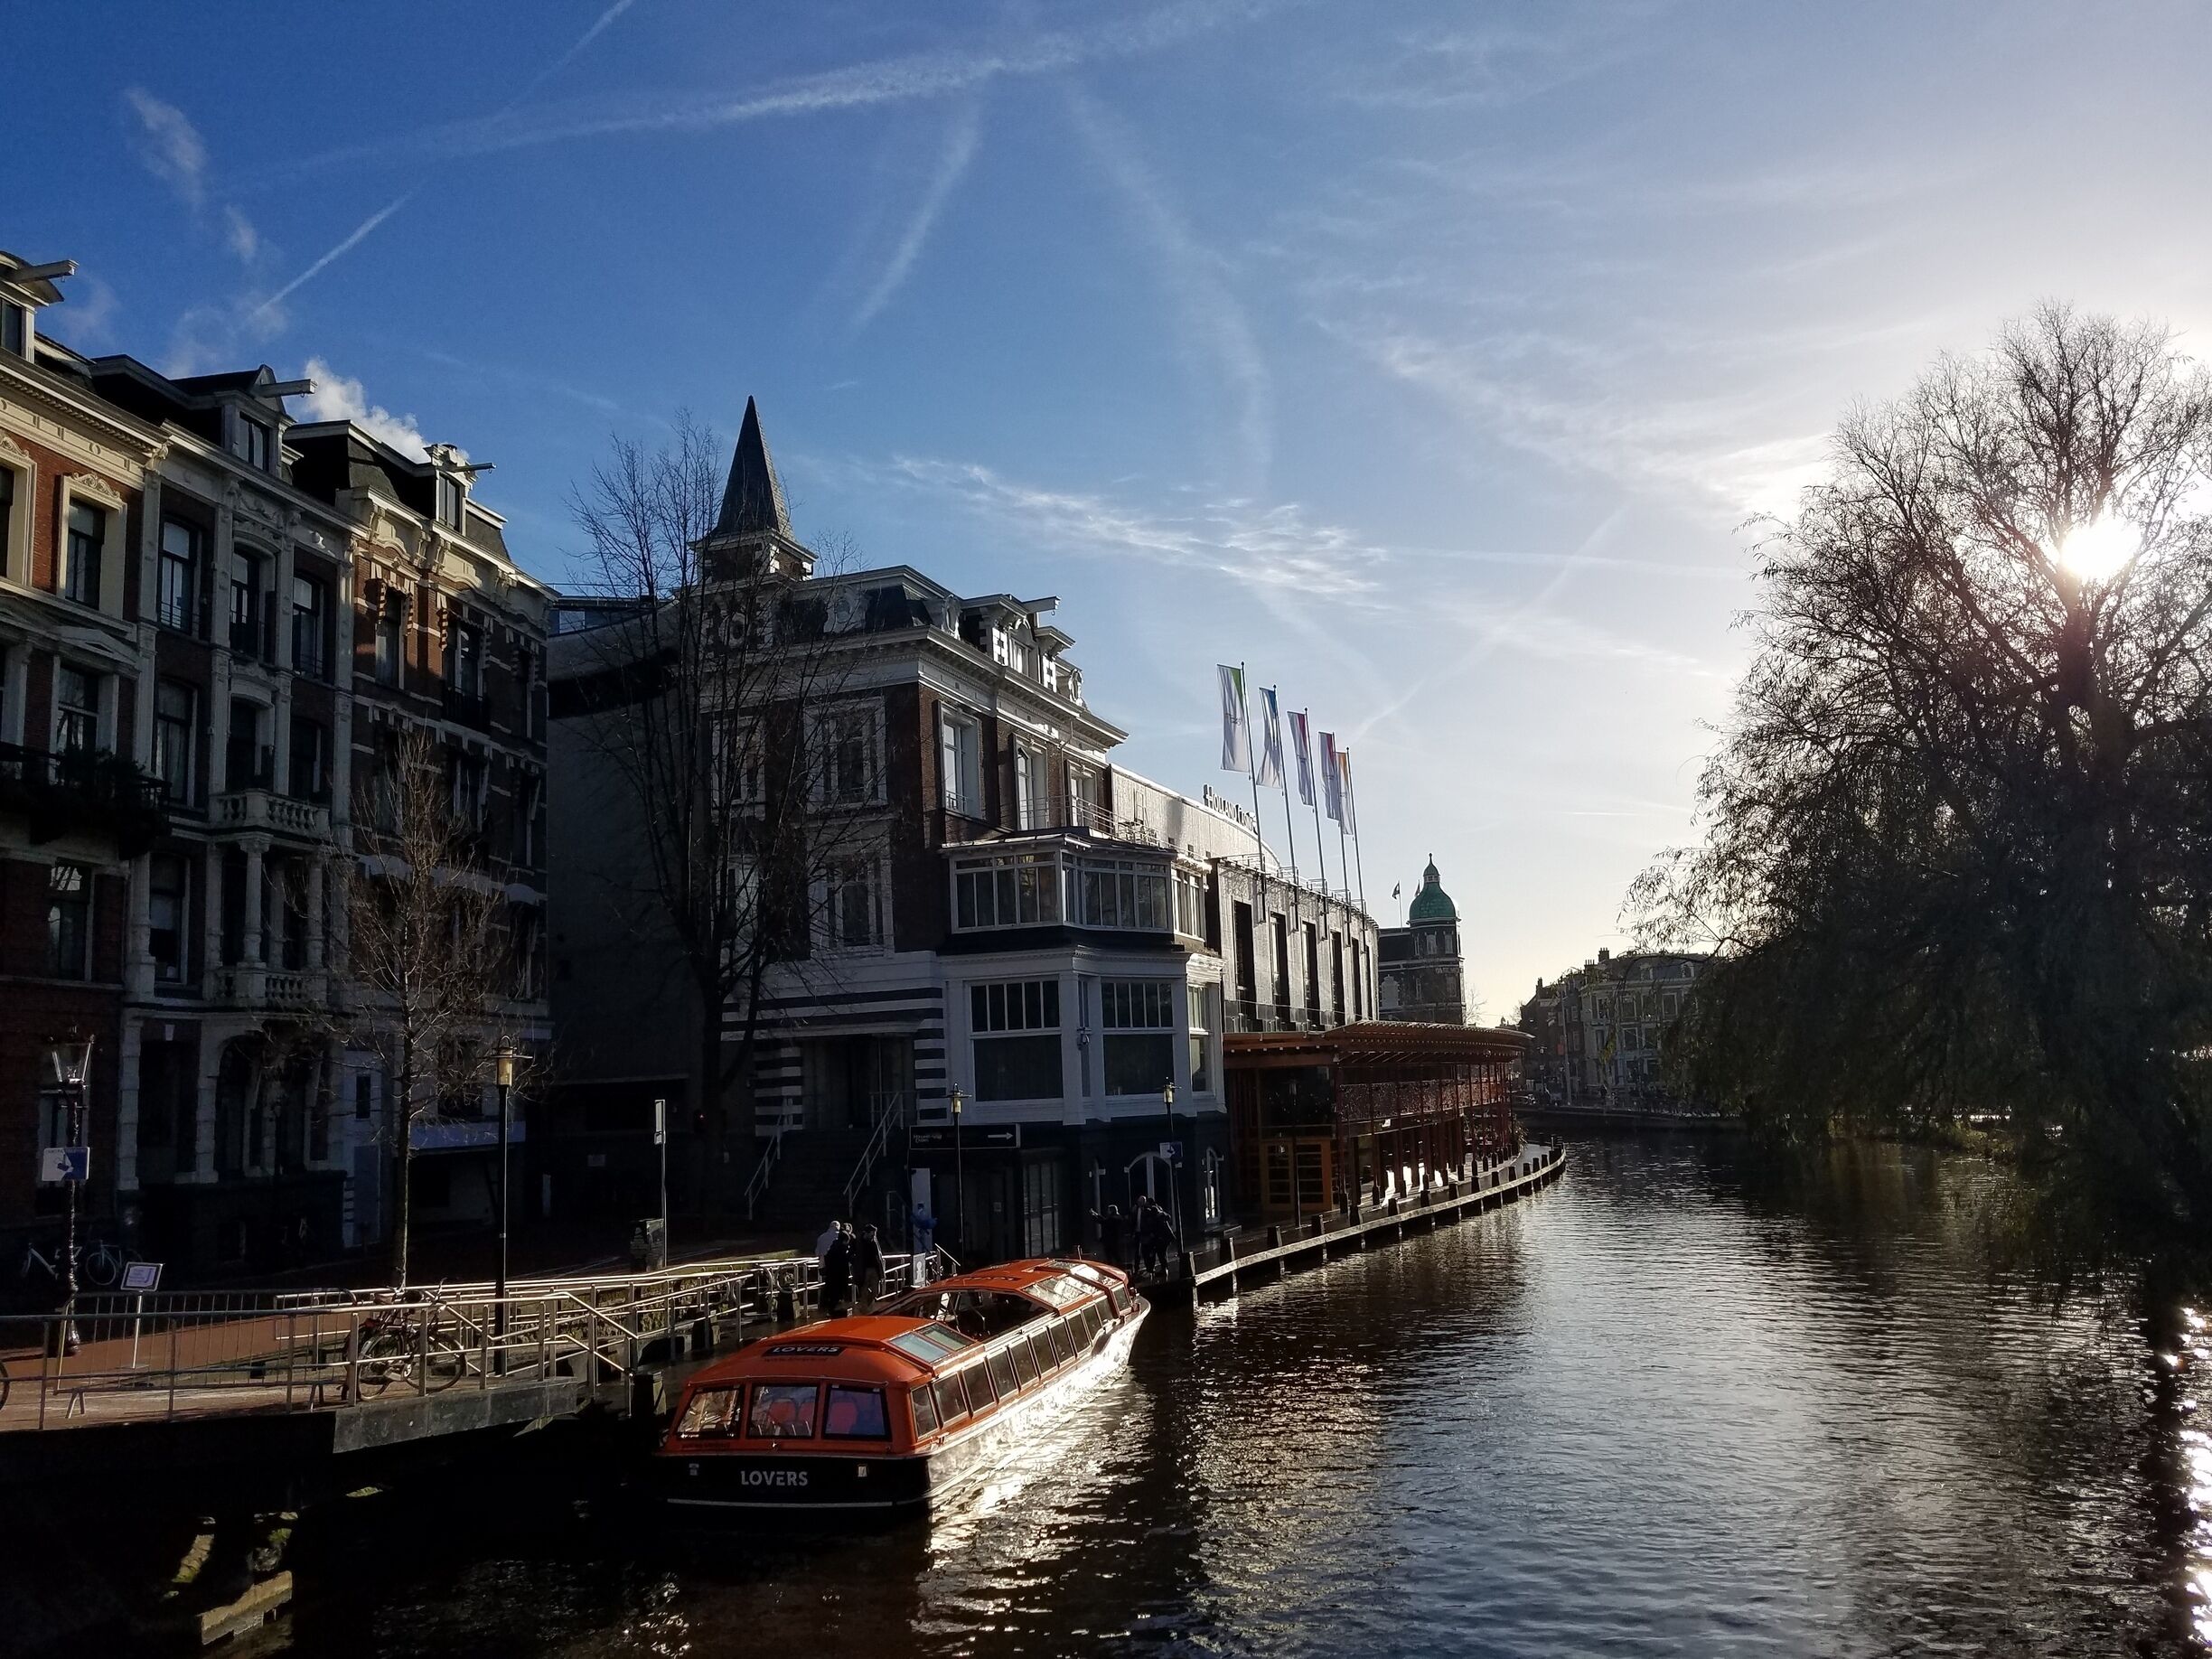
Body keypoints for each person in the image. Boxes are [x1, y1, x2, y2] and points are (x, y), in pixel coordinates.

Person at [1137, 1196, 1180, 1279]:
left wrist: (1154, 1234)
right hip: (1162, 1237)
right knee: (1160, 1253)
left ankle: (1163, 1270)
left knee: (1160, 1253)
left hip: (1162, 1237)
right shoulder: (1157, 1212)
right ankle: (1162, 1269)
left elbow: (1157, 1226)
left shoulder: (1154, 1212)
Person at [852, 1223, 886, 1311]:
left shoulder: (874, 1242)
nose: (873, 1236)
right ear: (866, 1233)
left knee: (876, 1291)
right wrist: (854, 1262)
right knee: (863, 1290)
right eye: (872, 1234)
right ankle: (864, 1309)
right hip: (863, 1269)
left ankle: (866, 1304)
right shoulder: (858, 1242)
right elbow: (852, 1253)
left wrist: (881, 1272)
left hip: (874, 1268)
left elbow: (879, 1256)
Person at [821, 1223, 852, 1316]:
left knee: (833, 1294)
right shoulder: (841, 1250)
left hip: (832, 1275)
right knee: (837, 1293)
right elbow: (844, 1262)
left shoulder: (833, 1248)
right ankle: (834, 1310)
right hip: (838, 1275)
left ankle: (832, 1310)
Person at [911, 1198, 936, 1284]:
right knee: (922, 1241)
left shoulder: (921, 1212)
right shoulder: (923, 1212)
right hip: (923, 1225)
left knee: (923, 1241)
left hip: (923, 1225)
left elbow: (919, 1219)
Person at [1100, 1204, 1126, 1270]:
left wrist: (1095, 1216)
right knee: (1115, 1255)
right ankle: (1119, 1267)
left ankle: (1114, 1269)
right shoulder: (1118, 1217)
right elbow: (1105, 1221)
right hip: (1114, 1239)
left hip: (1111, 1240)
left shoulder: (1113, 1218)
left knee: (1112, 1256)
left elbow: (1104, 1222)